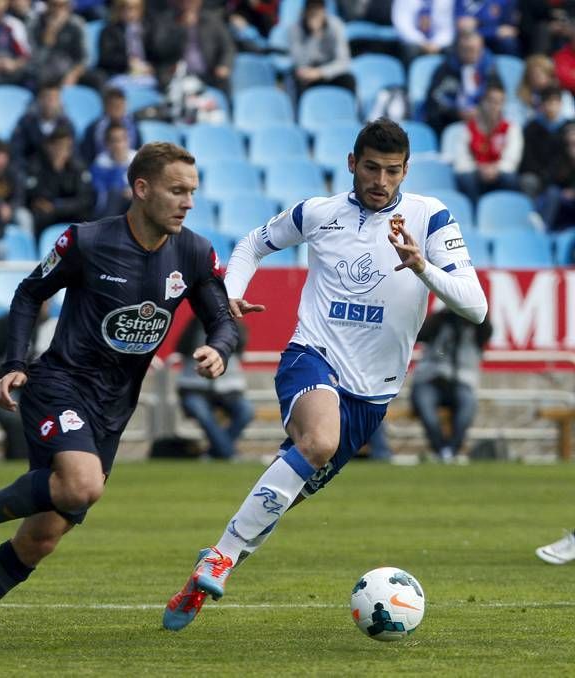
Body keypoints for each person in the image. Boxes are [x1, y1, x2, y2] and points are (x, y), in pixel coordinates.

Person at [0, 141, 238, 647]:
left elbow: (221, 317)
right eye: (177, 190)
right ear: (141, 189)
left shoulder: (192, 251)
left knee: (40, 538)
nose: (187, 202)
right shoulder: (87, 241)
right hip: (60, 384)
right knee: (82, 486)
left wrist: (219, 349)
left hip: (112, 411)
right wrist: (14, 364)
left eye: (193, 192)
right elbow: (30, 292)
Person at [161, 118, 488, 631]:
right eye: (373, 168)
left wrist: (423, 267)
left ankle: (207, 570)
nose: (381, 181)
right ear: (352, 163)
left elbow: (476, 308)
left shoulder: (430, 218)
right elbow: (252, 244)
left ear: (406, 172)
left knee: (280, 499)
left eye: (393, 172)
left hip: (372, 396)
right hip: (311, 355)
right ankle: (219, 559)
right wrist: (229, 297)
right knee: (318, 441)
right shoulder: (318, 213)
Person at [410, 306, 492, 463]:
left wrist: (471, 311)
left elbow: (487, 329)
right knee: (427, 411)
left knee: (467, 410)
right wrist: (445, 314)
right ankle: (441, 450)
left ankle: (450, 450)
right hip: (430, 379)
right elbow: (420, 334)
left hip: (461, 382)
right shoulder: (440, 320)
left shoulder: (477, 327)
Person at [0, 299, 57, 459]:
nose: (42, 305)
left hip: (43, 388)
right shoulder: (6, 323)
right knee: (15, 419)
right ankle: (18, 461)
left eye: (46, 301)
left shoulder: (54, 327)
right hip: (8, 386)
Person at [176, 315, 253, 460]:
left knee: (246, 411)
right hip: (194, 387)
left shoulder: (235, 326)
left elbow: (241, 346)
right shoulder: (195, 325)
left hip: (230, 388)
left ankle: (215, 453)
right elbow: (181, 347)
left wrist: (231, 326)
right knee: (202, 413)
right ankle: (228, 453)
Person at [453, 82, 522, 206]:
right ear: (482, 102)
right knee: (466, 178)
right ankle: (475, 215)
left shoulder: (511, 128)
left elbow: (512, 159)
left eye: (499, 102)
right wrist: (480, 168)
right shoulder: (468, 128)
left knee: (510, 178)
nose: (494, 106)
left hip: (499, 173)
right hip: (476, 173)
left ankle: (507, 211)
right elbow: (461, 159)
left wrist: (495, 168)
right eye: (491, 101)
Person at [288, 0, 355, 98]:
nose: (315, 14)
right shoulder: (295, 29)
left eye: (318, 10)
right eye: (311, 10)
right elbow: (299, 62)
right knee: (299, 81)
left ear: (324, 11)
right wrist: (313, 36)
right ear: (305, 12)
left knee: (349, 80)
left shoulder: (336, 26)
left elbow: (344, 61)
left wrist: (321, 72)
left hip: (329, 70)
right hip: (308, 71)